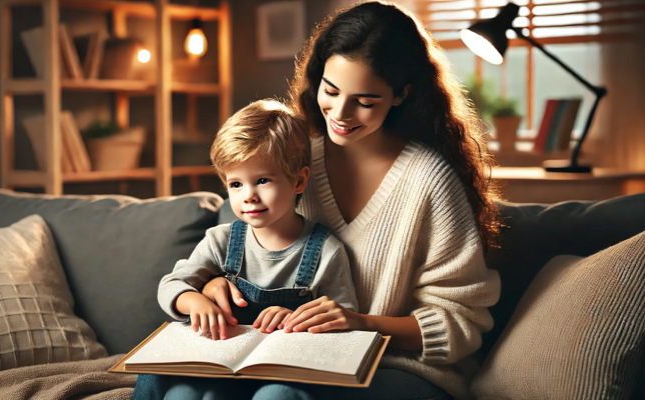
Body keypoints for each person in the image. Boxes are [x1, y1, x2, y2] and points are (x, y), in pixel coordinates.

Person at [197, 2, 503, 399]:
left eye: (365, 100)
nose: (339, 113)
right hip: (299, 359)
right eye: (331, 90)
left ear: (400, 95)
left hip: (401, 370)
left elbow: (461, 322)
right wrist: (213, 286)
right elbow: (248, 251)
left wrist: (360, 323)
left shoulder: (430, 181)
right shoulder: (294, 162)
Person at [132, 99, 359, 400]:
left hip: (286, 372)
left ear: (299, 180)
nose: (249, 196)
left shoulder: (326, 251)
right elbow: (171, 284)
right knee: (181, 393)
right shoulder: (221, 241)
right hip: (224, 369)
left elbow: (345, 322)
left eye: (262, 180)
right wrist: (192, 301)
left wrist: (298, 320)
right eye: (236, 184)